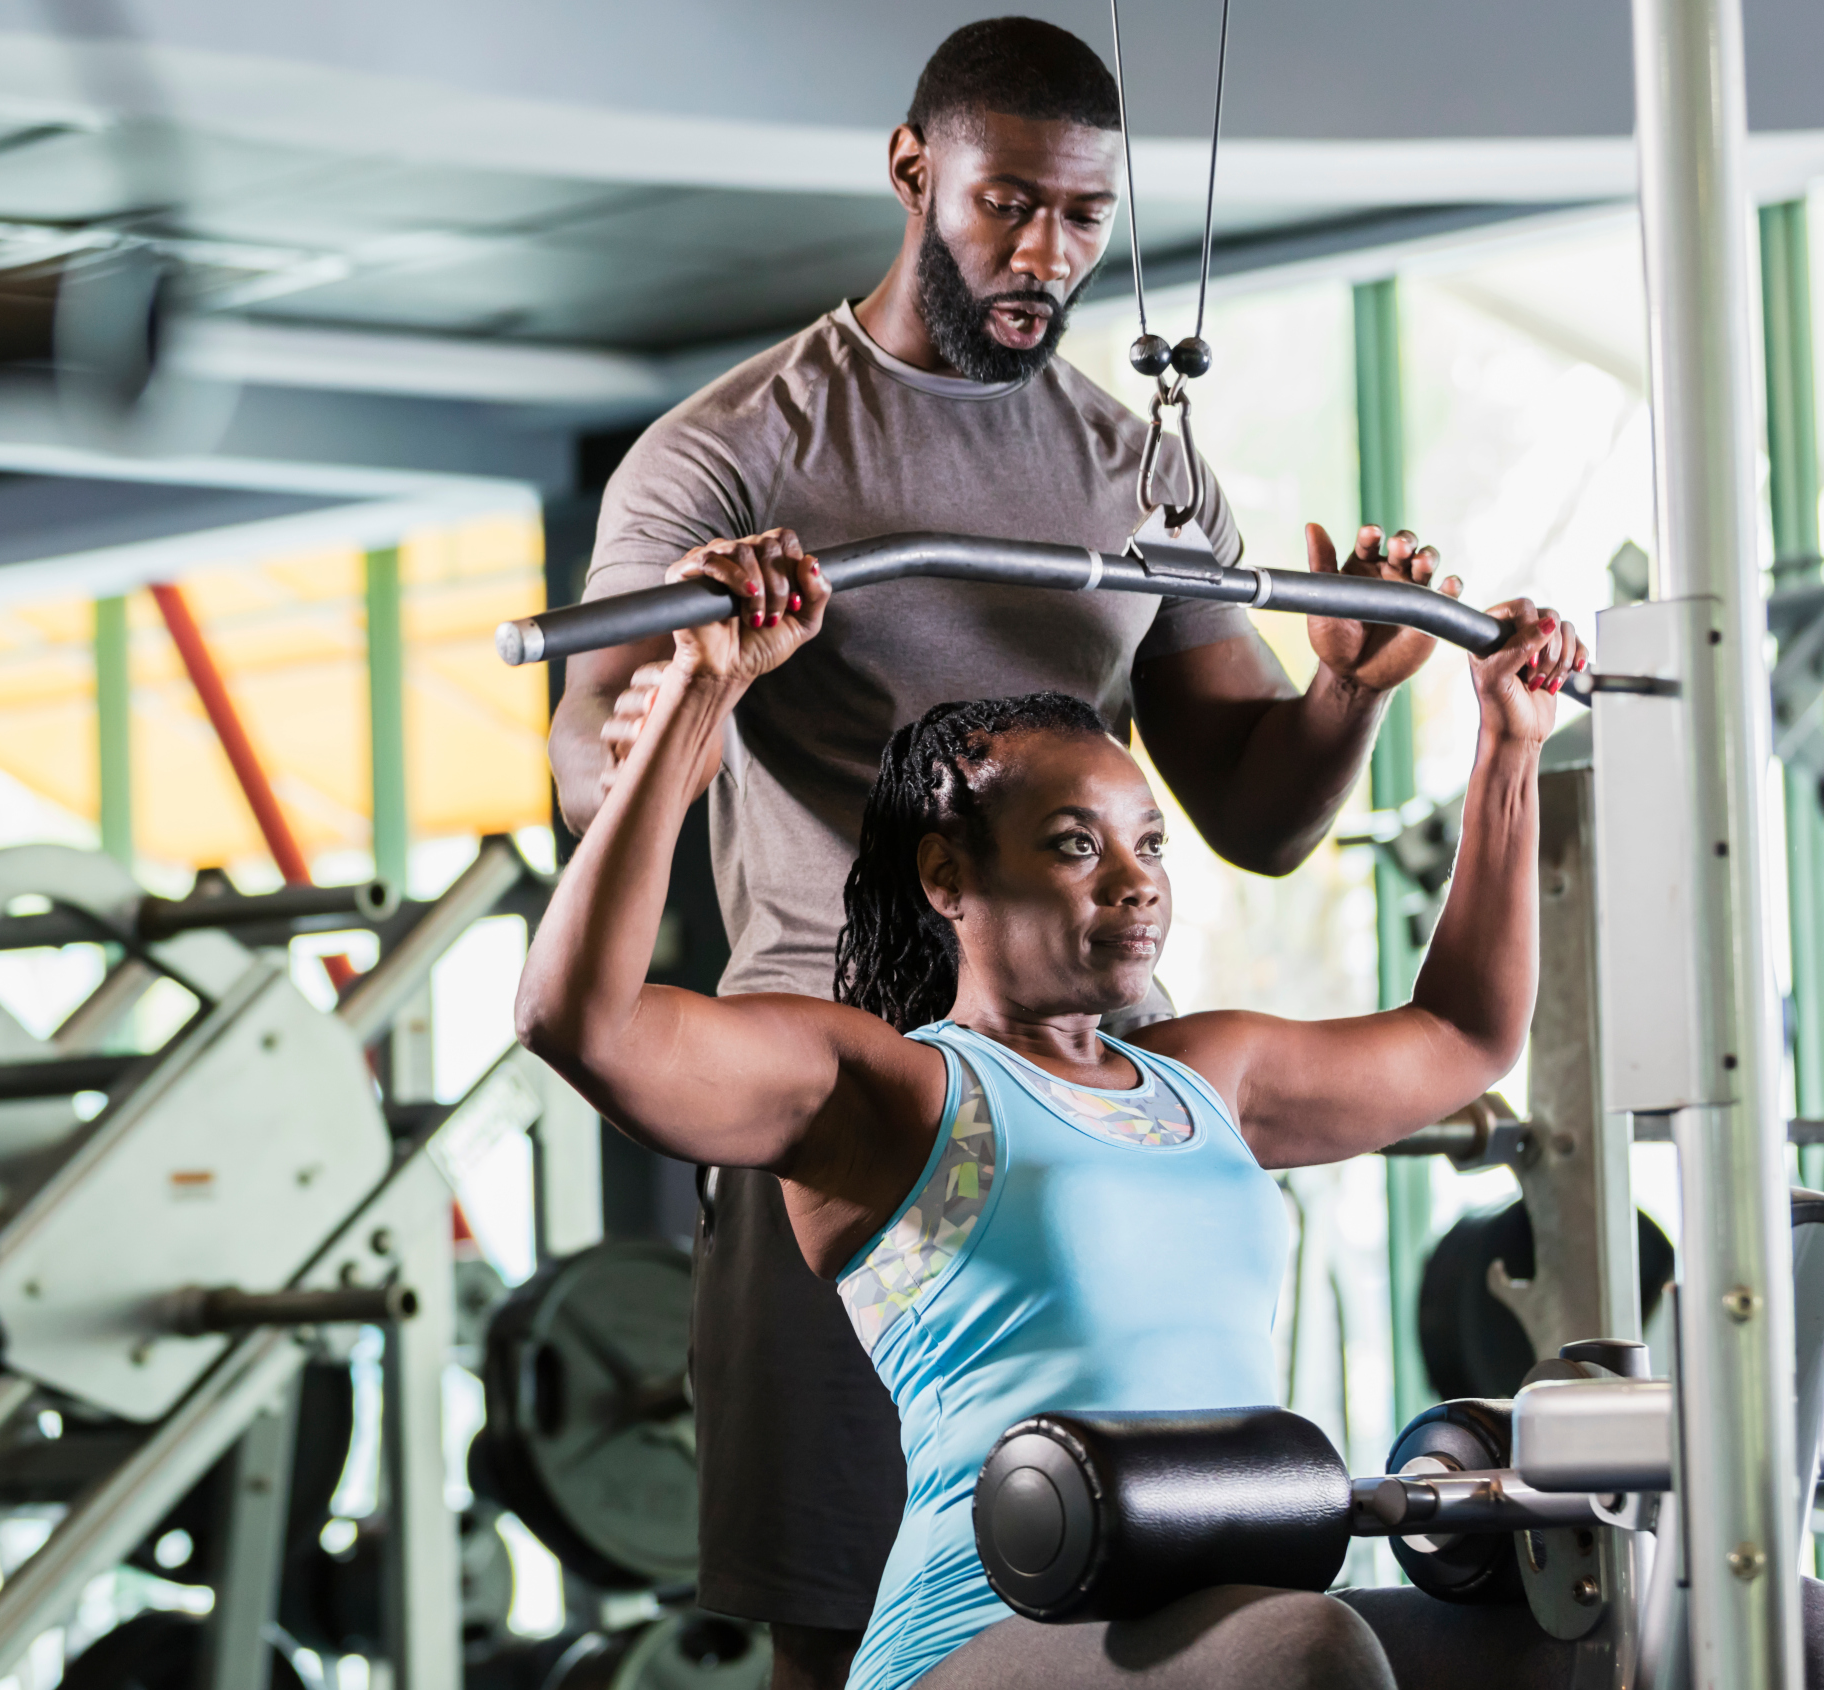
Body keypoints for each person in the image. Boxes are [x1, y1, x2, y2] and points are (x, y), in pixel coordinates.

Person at [547, 18, 1453, 1684]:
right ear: (914, 171)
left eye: (1086, 217)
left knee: (1171, 1604)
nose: (1046, 256)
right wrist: (672, 703)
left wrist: (1343, 699)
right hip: (854, 1113)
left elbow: (1252, 812)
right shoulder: (734, 451)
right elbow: (585, 764)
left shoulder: (1139, 466)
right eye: (1008, 205)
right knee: (859, 1626)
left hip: (1090, 1115)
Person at [519, 554, 1585, 1690]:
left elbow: (1464, 1032)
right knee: (1309, 1645)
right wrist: (695, 694)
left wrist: (1509, 741)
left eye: (1149, 843)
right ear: (946, 876)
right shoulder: (892, 1095)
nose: (1136, 882)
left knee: (1614, 1636)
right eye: (1078, 844)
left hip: (1229, 1633)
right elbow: (582, 1021)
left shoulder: (1205, 1080)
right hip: (978, 1646)